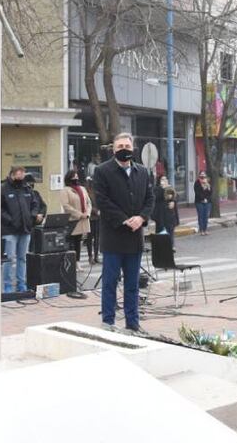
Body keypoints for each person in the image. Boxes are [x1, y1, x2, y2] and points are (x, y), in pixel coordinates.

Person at [92, 132, 155, 332]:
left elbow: (150, 198)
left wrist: (141, 217)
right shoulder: (103, 171)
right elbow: (102, 200)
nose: (123, 150)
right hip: (113, 237)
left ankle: (132, 324)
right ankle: (108, 322)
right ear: (113, 149)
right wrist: (123, 219)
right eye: (119, 146)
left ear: (133, 148)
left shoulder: (143, 172)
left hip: (134, 238)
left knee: (132, 285)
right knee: (110, 282)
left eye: (127, 146)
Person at [0, 166, 39, 293]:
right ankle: (8, 285)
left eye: (23, 173)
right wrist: (9, 220)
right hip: (9, 230)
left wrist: (32, 216)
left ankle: (21, 284)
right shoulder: (4, 188)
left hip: (25, 229)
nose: (21, 176)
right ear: (12, 174)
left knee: (22, 258)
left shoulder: (26, 188)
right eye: (19, 173)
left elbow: (35, 204)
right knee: (9, 258)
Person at [60, 170, 92, 266]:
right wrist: (78, 214)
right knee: (71, 242)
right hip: (72, 220)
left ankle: (77, 262)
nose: (76, 178)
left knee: (79, 242)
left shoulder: (82, 189)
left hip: (83, 219)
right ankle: (70, 263)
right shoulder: (65, 190)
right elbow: (66, 205)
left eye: (77, 176)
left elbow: (88, 203)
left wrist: (87, 213)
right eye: (74, 177)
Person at [85, 176, 100, 265]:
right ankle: (90, 256)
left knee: (97, 238)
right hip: (90, 218)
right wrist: (96, 211)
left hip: (98, 218)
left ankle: (96, 256)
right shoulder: (86, 192)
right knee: (90, 238)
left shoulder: (97, 192)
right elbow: (87, 205)